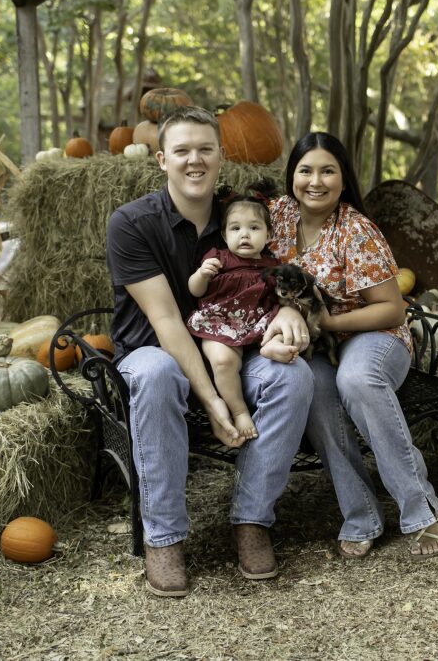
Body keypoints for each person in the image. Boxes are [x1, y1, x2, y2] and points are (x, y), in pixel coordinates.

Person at [105, 106, 313, 597]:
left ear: (222, 156)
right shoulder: (131, 224)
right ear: (161, 159)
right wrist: (215, 402)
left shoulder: (240, 219)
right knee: (157, 376)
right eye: (181, 151)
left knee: (293, 377)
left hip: (233, 343)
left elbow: (285, 273)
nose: (194, 160)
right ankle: (166, 537)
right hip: (154, 348)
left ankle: (252, 519)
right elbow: (165, 321)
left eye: (205, 149)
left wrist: (291, 311)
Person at [262, 131, 438, 560]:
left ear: (343, 179)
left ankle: (422, 510)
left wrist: (329, 321)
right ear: (292, 176)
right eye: (305, 170)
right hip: (317, 343)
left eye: (328, 170)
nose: (315, 181)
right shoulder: (277, 216)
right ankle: (362, 514)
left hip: (373, 337)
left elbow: (392, 310)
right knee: (315, 392)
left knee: (356, 378)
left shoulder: (356, 229)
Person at [186, 195, 298, 441]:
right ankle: (239, 411)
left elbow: (284, 298)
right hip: (220, 324)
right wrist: (202, 275)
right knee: (224, 363)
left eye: (254, 228)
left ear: (269, 235)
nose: (244, 235)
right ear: (225, 235)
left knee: (281, 328)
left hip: (259, 325)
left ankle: (271, 348)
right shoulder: (218, 258)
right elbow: (196, 291)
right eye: (236, 228)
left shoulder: (273, 266)